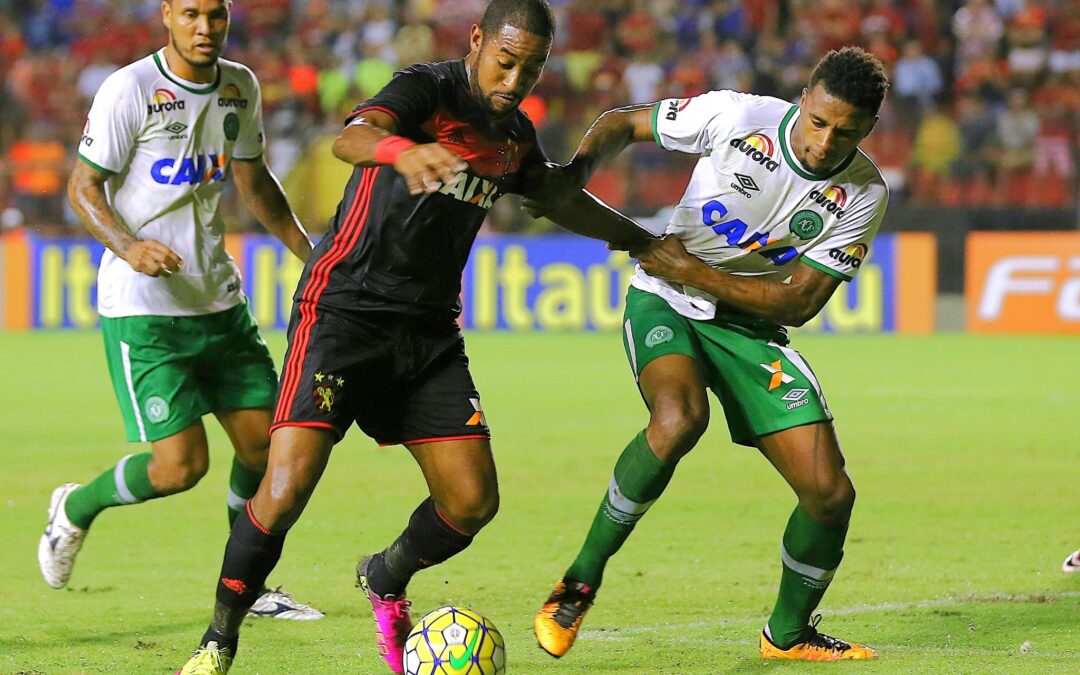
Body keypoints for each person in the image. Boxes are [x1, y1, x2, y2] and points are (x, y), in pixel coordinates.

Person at [178, 1, 652, 673]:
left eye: (533, 67)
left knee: (471, 500)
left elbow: (556, 197)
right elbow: (353, 137)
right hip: (342, 312)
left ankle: (385, 573)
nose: (516, 79)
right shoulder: (427, 90)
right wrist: (405, 150)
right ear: (479, 40)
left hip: (427, 334)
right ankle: (219, 639)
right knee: (283, 491)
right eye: (506, 60)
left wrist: (644, 242)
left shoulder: (514, 136)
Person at [532, 46, 891, 661]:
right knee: (678, 419)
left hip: (749, 329)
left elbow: (799, 303)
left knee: (830, 494)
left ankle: (788, 635)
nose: (826, 142)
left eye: (846, 133)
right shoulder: (737, 116)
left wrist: (693, 268)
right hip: (664, 300)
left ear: (868, 131)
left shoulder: (862, 191)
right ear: (803, 100)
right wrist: (578, 170)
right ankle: (578, 582)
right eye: (820, 122)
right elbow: (624, 121)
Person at [39, 0, 323, 622]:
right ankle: (75, 508)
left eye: (215, 16)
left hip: (218, 301)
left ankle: (246, 584)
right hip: (144, 311)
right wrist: (129, 245)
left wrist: (312, 251)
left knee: (266, 453)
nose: (204, 28)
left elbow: (255, 181)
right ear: (167, 14)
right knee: (180, 468)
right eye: (190, 13)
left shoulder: (238, 85)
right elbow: (82, 189)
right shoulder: (130, 89)